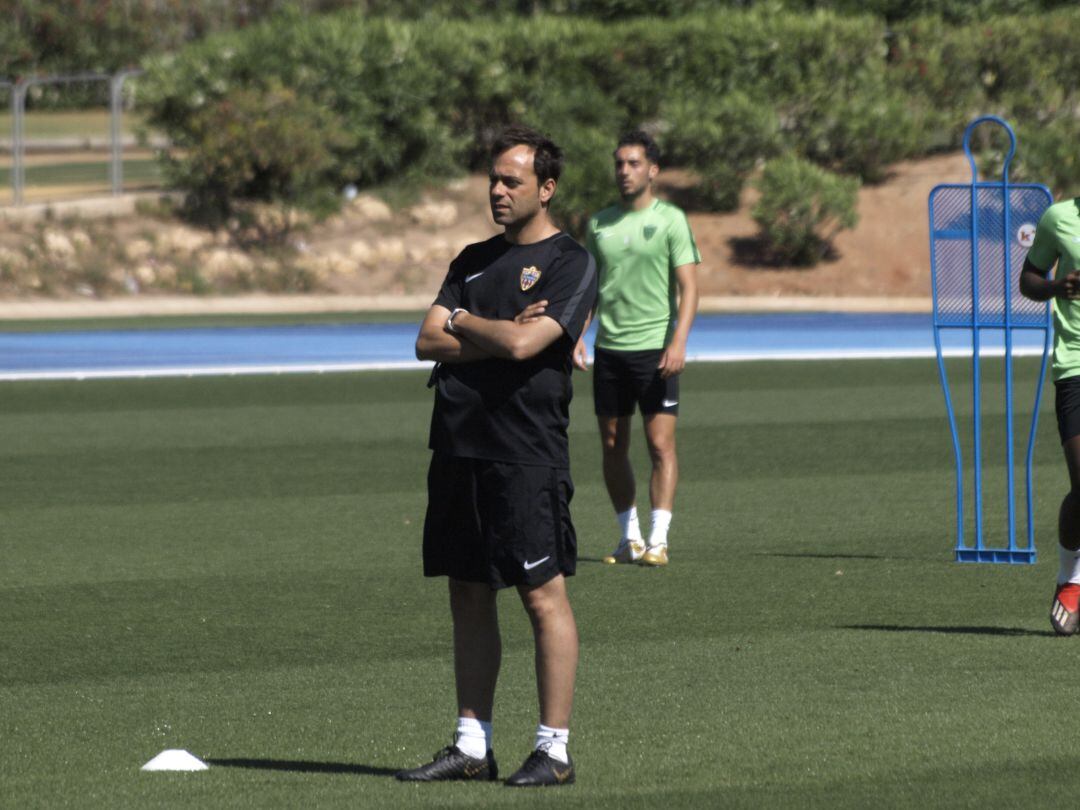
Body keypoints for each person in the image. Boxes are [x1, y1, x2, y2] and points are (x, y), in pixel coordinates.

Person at [397, 126, 596, 787]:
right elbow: (426, 339)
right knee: (468, 592)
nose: (498, 190)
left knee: (542, 595)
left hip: (525, 451)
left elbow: (525, 346)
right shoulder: (473, 258)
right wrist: (484, 327)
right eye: (493, 179)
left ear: (547, 188)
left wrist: (470, 325)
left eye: (512, 181)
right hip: (458, 445)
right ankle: (472, 744)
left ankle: (555, 750)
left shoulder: (572, 262)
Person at [576, 130, 700, 567]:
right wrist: (577, 335)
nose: (624, 171)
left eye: (632, 163)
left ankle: (659, 539)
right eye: (619, 163)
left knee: (659, 444)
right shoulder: (598, 224)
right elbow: (589, 290)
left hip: (655, 350)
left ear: (652, 170)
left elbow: (689, 288)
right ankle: (628, 537)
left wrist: (678, 341)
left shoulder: (671, 220)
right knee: (612, 444)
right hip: (610, 350)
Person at [1020, 198, 1080, 635]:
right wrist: (1059, 288)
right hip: (1075, 365)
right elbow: (1029, 280)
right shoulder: (1059, 218)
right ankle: (1070, 579)